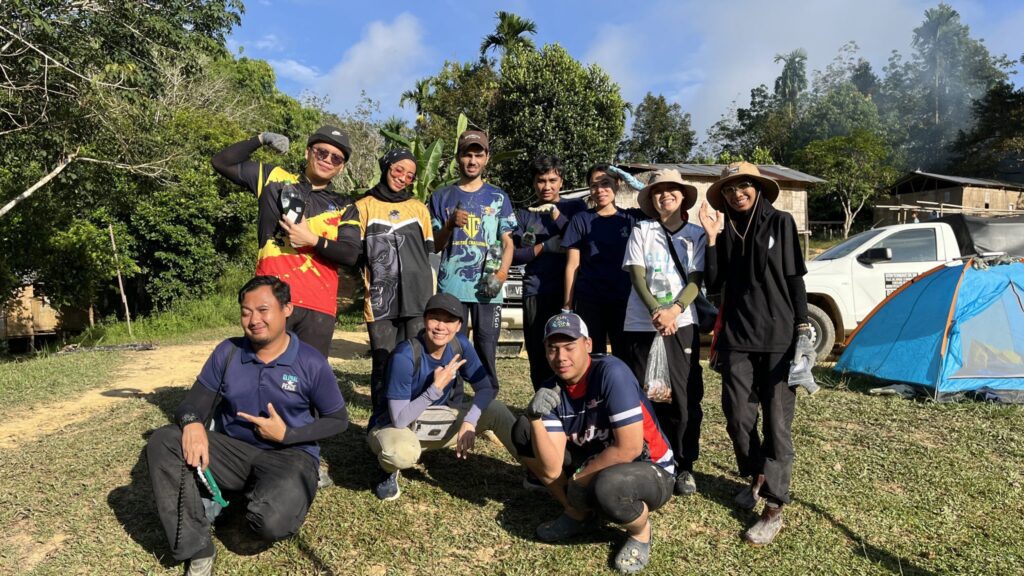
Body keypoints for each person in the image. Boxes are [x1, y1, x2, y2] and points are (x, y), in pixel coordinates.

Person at [146, 276, 348, 575]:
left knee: (270, 523)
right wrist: (192, 424)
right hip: (233, 451)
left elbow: (338, 420)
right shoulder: (228, 352)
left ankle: (270, 494)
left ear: (287, 309)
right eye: (246, 311)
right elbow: (192, 404)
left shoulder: (310, 361)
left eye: (263, 310)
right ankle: (198, 548)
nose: (253, 320)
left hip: (290, 455)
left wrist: (288, 434)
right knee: (164, 441)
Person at [698, 162, 812, 546]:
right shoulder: (726, 229)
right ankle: (757, 476)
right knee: (737, 416)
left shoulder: (780, 223)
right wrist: (711, 237)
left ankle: (774, 506)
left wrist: (801, 328)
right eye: (730, 189)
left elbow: (795, 277)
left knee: (777, 423)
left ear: (757, 189)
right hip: (738, 337)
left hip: (779, 337)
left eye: (744, 186)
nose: (736, 193)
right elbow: (714, 284)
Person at [511, 313, 675, 574]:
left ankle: (641, 532)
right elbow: (552, 469)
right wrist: (534, 419)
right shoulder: (551, 387)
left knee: (609, 486)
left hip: (649, 465)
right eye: (552, 349)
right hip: (599, 457)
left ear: (588, 344)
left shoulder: (612, 372)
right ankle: (577, 515)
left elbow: (629, 448)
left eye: (569, 346)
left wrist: (580, 479)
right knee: (523, 431)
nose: (561, 356)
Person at [211, 126, 362, 358]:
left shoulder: (346, 206)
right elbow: (222, 162)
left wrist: (312, 240)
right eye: (322, 152)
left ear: (341, 167)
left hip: (318, 305)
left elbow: (351, 254)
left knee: (306, 380)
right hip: (270, 298)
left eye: (336, 158)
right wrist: (262, 138)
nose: (327, 160)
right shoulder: (274, 179)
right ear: (308, 152)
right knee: (260, 371)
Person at [366, 293, 517, 500]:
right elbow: (399, 419)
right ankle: (388, 470)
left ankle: (538, 472)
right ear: (425, 320)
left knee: (496, 410)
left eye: (449, 320)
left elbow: (486, 388)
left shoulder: (460, 345)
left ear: (459, 325)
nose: (440, 326)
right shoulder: (405, 355)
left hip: (433, 422)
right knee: (401, 453)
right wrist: (435, 389)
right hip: (394, 426)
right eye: (435, 318)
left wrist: (470, 421)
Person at [621, 168, 707, 497]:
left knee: (684, 397)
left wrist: (673, 311)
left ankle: (685, 464)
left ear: (683, 195)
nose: (664, 195)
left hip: (682, 324)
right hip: (642, 324)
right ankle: (650, 456)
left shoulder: (696, 235)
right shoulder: (642, 230)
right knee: (644, 395)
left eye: (672, 189)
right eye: (658, 190)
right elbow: (638, 277)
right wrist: (657, 310)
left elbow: (696, 280)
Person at [343, 148, 433, 419]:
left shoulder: (419, 208)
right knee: (383, 360)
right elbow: (353, 255)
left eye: (410, 175)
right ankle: (382, 418)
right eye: (398, 170)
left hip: (418, 298)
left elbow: (430, 254)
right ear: (387, 167)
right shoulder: (362, 206)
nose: (403, 177)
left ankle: (412, 416)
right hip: (381, 299)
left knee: (415, 358)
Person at [428, 130, 516, 384]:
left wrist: (501, 274)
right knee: (450, 350)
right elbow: (434, 245)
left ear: (487, 158)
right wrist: (448, 225)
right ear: (458, 157)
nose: (473, 161)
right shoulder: (441, 196)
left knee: (486, 350)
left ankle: (487, 405)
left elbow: (508, 241)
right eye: (467, 155)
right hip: (452, 288)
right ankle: (449, 401)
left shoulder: (499, 197)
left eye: (479, 155)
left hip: (488, 289)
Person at [511, 154, 588, 388]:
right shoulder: (525, 214)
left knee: (570, 352)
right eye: (541, 180)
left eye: (552, 180)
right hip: (535, 290)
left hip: (569, 292)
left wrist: (556, 214)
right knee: (539, 351)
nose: (547, 186)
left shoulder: (575, 208)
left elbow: (582, 242)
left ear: (561, 181)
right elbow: (514, 255)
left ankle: (570, 407)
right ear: (534, 183)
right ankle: (543, 409)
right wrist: (545, 246)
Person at [562, 164, 644, 357]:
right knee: (592, 357)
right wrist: (567, 306)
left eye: (605, 183)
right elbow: (572, 265)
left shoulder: (632, 218)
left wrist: (638, 186)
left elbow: (661, 208)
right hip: (590, 300)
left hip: (625, 301)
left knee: (625, 357)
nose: (600, 190)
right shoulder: (580, 220)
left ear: (618, 184)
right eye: (594, 185)